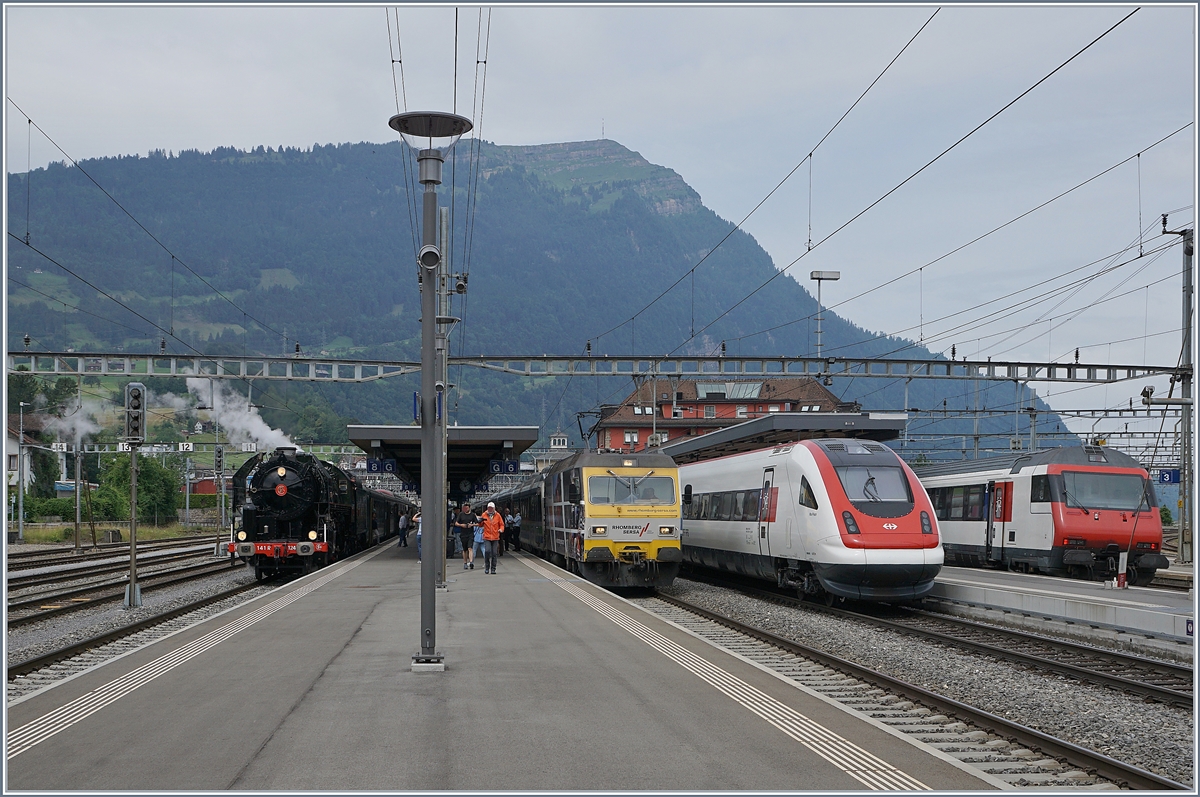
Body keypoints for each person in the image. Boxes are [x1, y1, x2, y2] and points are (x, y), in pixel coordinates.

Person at [480, 501, 505, 574]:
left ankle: (493, 568)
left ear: (494, 508)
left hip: (495, 537)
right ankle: (487, 567)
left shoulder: (498, 515)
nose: (490, 509)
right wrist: (480, 521)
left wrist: (501, 529)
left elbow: (502, 524)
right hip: (487, 537)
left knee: (494, 553)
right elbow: (480, 525)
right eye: (489, 508)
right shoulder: (484, 514)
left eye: (491, 508)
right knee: (487, 551)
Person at [453, 502, 478, 570]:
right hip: (463, 534)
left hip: (470, 533)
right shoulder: (461, 514)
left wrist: (472, 525)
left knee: (470, 548)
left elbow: (478, 524)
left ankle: (471, 562)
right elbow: (456, 523)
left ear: (469, 508)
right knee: (465, 549)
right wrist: (461, 525)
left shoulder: (472, 515)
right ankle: (465, 562)